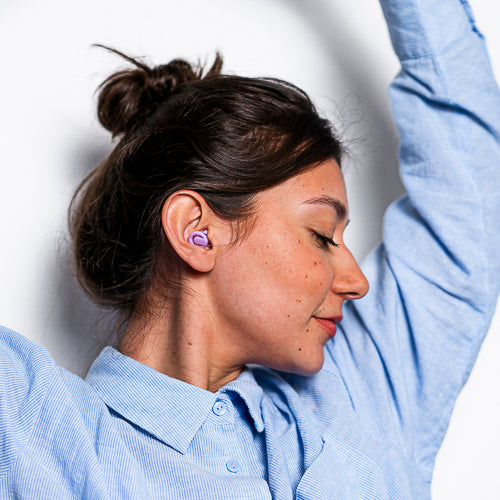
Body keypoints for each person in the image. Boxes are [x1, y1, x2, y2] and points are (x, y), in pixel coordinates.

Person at [1, 0, 499, 498]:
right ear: (196, 231)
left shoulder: (363, 394)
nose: (357, 282)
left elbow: (468, 192)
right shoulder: (37, 432)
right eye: (322, 235)